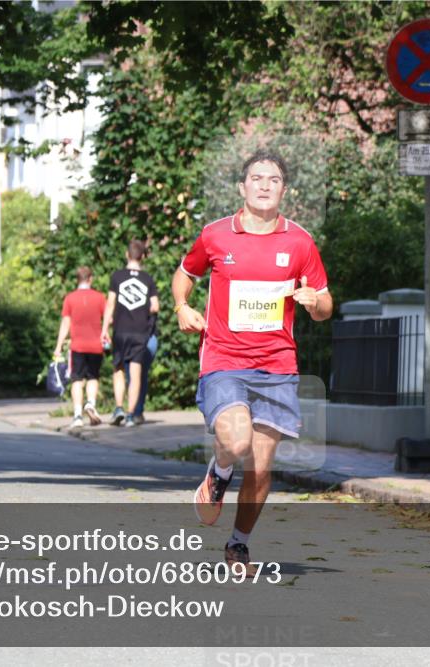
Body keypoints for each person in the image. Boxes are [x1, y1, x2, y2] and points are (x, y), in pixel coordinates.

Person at [172, 149, 332, 572]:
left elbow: (325, 301)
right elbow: (185, 273)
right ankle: (219, 471)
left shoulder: (299, 241)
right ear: (242, 187)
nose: (264, 185)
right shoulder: (215, 235)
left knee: (261, 468)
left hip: (277, 366)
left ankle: (239, 544)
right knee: (238, 441)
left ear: (283, 189)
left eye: (274, 179)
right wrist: (181, 306)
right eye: (256, 178)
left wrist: (316, 302)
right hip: (224, 358)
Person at [101, 240, 160, 427]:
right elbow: (155, 306)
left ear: (127, 255)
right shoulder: (148, 279)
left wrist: (104, 329)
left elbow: (110, 303)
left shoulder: (117, 277)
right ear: (142, 257)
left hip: (121, 331)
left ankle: (118, 407)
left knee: (118, 369)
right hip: (140, 332)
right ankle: (130, 415)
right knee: (135, 374)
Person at [53, 266, 107, 429]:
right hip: (96, 345)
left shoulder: (70, 298)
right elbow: (107, 319)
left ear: (78, 279)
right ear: (90, 279)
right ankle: (90, 403)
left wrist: (59, 345)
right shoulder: (100, 297)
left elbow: (65, 323)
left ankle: (77, 415)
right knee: (93, 377)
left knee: (77, 379)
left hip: (77, 345)